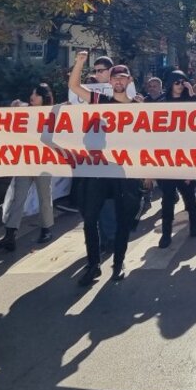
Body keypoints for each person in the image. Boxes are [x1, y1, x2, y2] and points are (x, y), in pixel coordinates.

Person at [68, 52, 142, 285]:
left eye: (123, 78)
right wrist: (80, 62)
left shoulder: (140, 108)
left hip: (124, 171)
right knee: (90, 219)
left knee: (122, 220)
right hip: (99, 169)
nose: (119, 81)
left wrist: (148, 171)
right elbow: (74, 86)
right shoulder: (100, 102)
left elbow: (151, 141)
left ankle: (118, 263)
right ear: (109, 82)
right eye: (115, 78)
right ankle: (93, 265)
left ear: (129, 81)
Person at [0, 83, 57, 252]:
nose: (32, 97)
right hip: (25, 161)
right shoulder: (24, 111)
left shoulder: (52, 113)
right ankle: (10, 234)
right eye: (32, 93)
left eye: (36, 94)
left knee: (44, 196)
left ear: (44, 97)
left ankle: (46, 229)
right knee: (17, 197)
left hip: (43, 161)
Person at [157, 71, 196, 248]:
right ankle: (166, 234)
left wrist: (192, 94)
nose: (180, 85)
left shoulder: (190, 100)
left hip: (186, 158)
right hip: (167, 159)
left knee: (189, 196)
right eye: (177, 82)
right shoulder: (161, 103)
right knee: (167, 199)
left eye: (183, 82)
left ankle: (195, 223)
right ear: (170, 83)